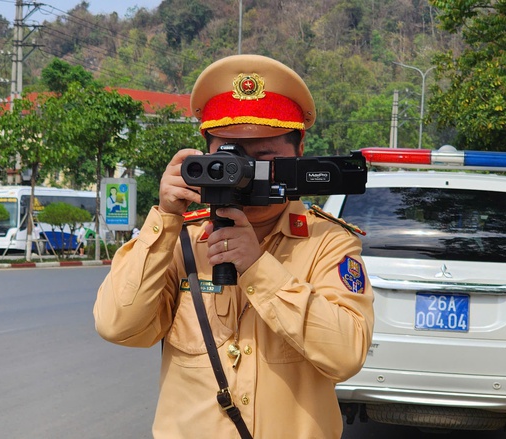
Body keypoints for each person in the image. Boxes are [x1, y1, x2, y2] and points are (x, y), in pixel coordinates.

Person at [94, 54, 374, 438]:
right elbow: (117, 325)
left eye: (263, 158)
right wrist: (165, 218)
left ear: (299, 151)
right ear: (205, 150)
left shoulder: (327, 243)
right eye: (231, 156)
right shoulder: (180, 240)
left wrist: (259, 270)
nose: (244, 173)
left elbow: (346, 355)